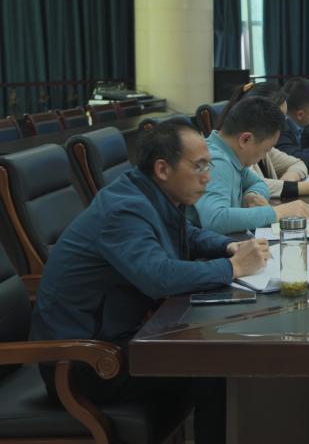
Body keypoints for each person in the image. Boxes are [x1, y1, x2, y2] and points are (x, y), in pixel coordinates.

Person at [30, 120, 272, 443]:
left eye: (209, 166)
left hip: (114, 338)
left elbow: (189, 234)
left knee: (213, 348)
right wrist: (233, 267)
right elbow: (159, 277)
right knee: (212, 360)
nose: (208, 176)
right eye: (199, 166)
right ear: (162, 169)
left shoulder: (150, 194)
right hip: (82, 362)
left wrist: (230, 247)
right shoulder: (124, 209)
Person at [197, 96, 309, 234]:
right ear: (245, 139)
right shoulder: (216, 162)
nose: (263, 157)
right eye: (266, 150)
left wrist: (252, 195)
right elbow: (214, 220)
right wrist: (276, 213)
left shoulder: (233, 156)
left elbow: (259, 183)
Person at [219, 82, 309, 200]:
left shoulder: (262, 145)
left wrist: (292, 176)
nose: (284, 123)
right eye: (280, 118)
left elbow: (298, 163)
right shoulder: (233, 155)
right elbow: (256, 185)